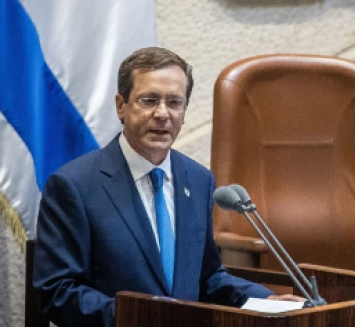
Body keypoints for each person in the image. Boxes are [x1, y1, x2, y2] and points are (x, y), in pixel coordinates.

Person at [33, 47, 302, 327]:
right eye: (149, 100)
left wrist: (264, 300)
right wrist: (139, 318)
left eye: (174, 102)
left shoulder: (198, 180)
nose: (162, 113)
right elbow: (57, 291)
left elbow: (207, 277)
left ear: (184, 112)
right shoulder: (74, 186)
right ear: (120, 106)